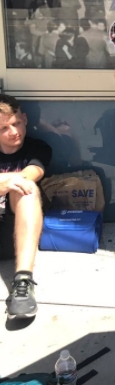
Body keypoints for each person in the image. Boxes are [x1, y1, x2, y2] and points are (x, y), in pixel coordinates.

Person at [0, 95, 52, 320]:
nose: (13, 132)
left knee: (25, 189)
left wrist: (6, 183)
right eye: (3, 128)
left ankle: (23, 282)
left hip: (13, 234)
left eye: (16, 123)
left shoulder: (37, 148)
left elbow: (30, 175)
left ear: (25, 119)